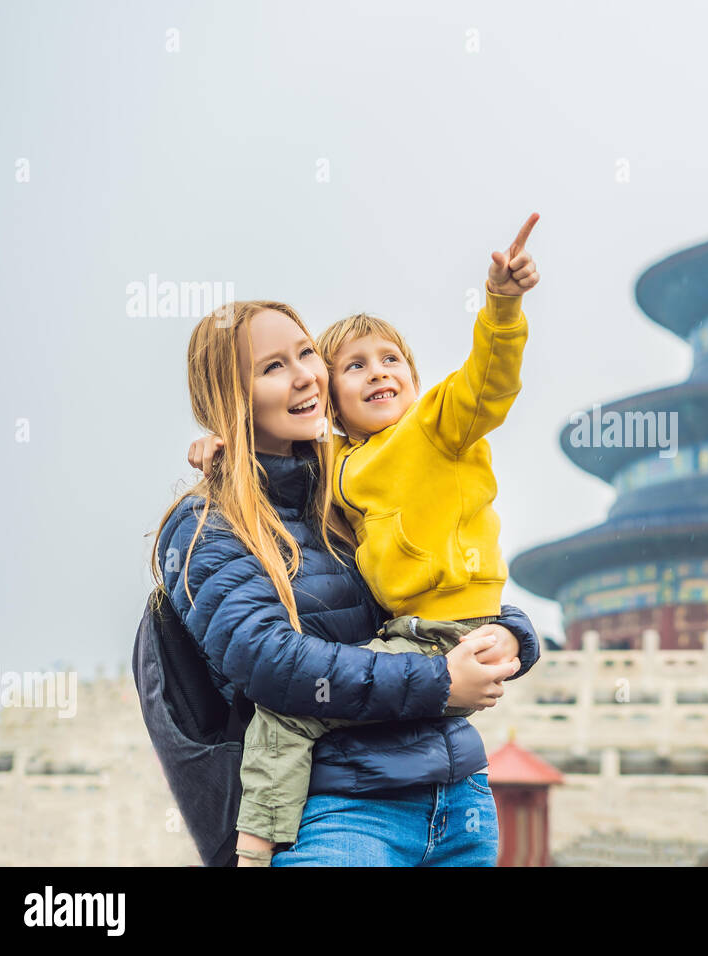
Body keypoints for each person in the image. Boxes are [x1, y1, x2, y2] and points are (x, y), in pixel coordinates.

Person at [189, 213, 541, 865]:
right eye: (352, 365)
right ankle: (253, 846)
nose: (378, 373)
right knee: (284, 711)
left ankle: (253, 844)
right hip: (355, 810)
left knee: (285, 721)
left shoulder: (433, 427)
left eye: (391, 360)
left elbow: (488, 381)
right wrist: (222, 450)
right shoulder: (336, 475)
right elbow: (270, 658)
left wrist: (503, 303)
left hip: (454, 775)